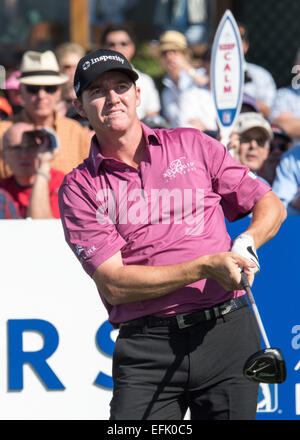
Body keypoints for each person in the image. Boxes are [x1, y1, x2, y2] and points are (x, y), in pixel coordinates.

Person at [59, 48, 286, 420]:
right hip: (148, 347)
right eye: (97, 91)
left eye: (120, 86)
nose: (112, 97)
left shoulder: (192, 144)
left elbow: (270, 204)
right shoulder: (80, 186)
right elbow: (115, 284)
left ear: (137, 95)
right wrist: (205, 267)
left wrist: (248, 242)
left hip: (227, 330)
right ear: (80, 107)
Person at [0, 50, 91, 179]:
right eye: (33, 89)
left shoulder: (76, 133)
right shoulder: (2, 132)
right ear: (21, 91)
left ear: (59, 91)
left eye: (50, 88)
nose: (41, 96)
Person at [0, 122, 64, 218]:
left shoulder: (61, 182)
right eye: (16, 148)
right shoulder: (2, 189)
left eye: (30, 146)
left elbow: (41, 225)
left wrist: (44, 164)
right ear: (3, 156)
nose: (24, 155)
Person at [158, 30, 217, 131]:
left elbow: (212, 85)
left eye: (175, 51)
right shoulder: (166, 92)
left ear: (185, 54)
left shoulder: (200, 76)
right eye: (165, 53)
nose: (169, 56)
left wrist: (187, 68)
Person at [101, 23, 161, 120]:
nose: (118, 48)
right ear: (103, 48)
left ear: (132, 47)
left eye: (123, 44)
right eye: (112, 44)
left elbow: (153, 117)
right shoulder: (94, 81)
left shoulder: (145, 81)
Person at [238, 23, 277, 118]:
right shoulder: (203, 75)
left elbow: (271, 112)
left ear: (246, 46)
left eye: (237, 42)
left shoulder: (261, 76)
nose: (231, 47)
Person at [229, 112, 273, 182]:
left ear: (266, 152)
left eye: (260, 140)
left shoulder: (264, 185)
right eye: (246, 138)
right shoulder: (213, 181)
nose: (253, 145)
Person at [270, 47, 300, 146]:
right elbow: (280, 126)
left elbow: (290, 126)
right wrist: (288, 124)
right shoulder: (284, 95)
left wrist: (294, 124)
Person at [272, 143, 300, 215]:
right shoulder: (291, 156)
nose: (276, 151)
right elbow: (280, 207)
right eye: (271, 147)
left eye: (283, 147)